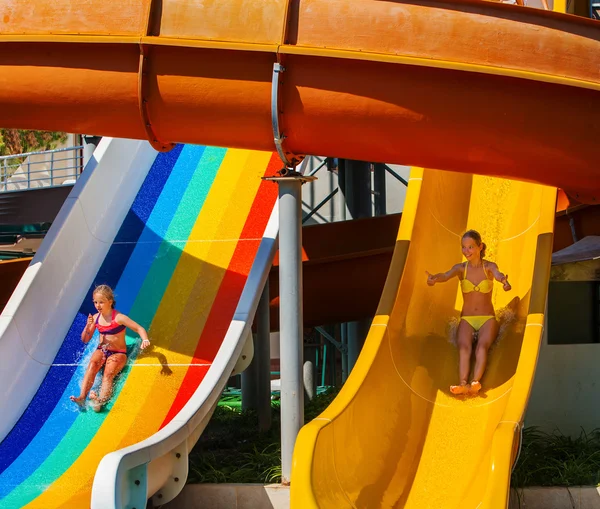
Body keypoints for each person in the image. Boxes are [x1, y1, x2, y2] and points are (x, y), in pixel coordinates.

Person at [426, 230, 511, 395]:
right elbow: (446, 275)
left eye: (470, 247)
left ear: (480, 247)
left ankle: (475, 382)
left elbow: (498, 274)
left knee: (481, 348)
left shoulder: (488, 267)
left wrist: (504, 281)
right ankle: (463, 383)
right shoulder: (460, 269)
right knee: (464, 348)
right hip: (467, 318)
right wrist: (435, 278)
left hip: (487, 319)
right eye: (463, 248)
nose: (466, 251)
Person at [70, 285, 150, 411]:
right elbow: (85, 339)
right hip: (102, 350)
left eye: (101, 302)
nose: (98, 305)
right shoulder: (95, 318)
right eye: (95, 302)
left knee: (108, 373)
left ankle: (99, 401)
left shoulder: (119, 318)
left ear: (110, 302)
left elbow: (139, 328)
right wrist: (87, 326)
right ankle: (82, 397)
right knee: (92, 364)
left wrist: (145, 339)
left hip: (118, 353)